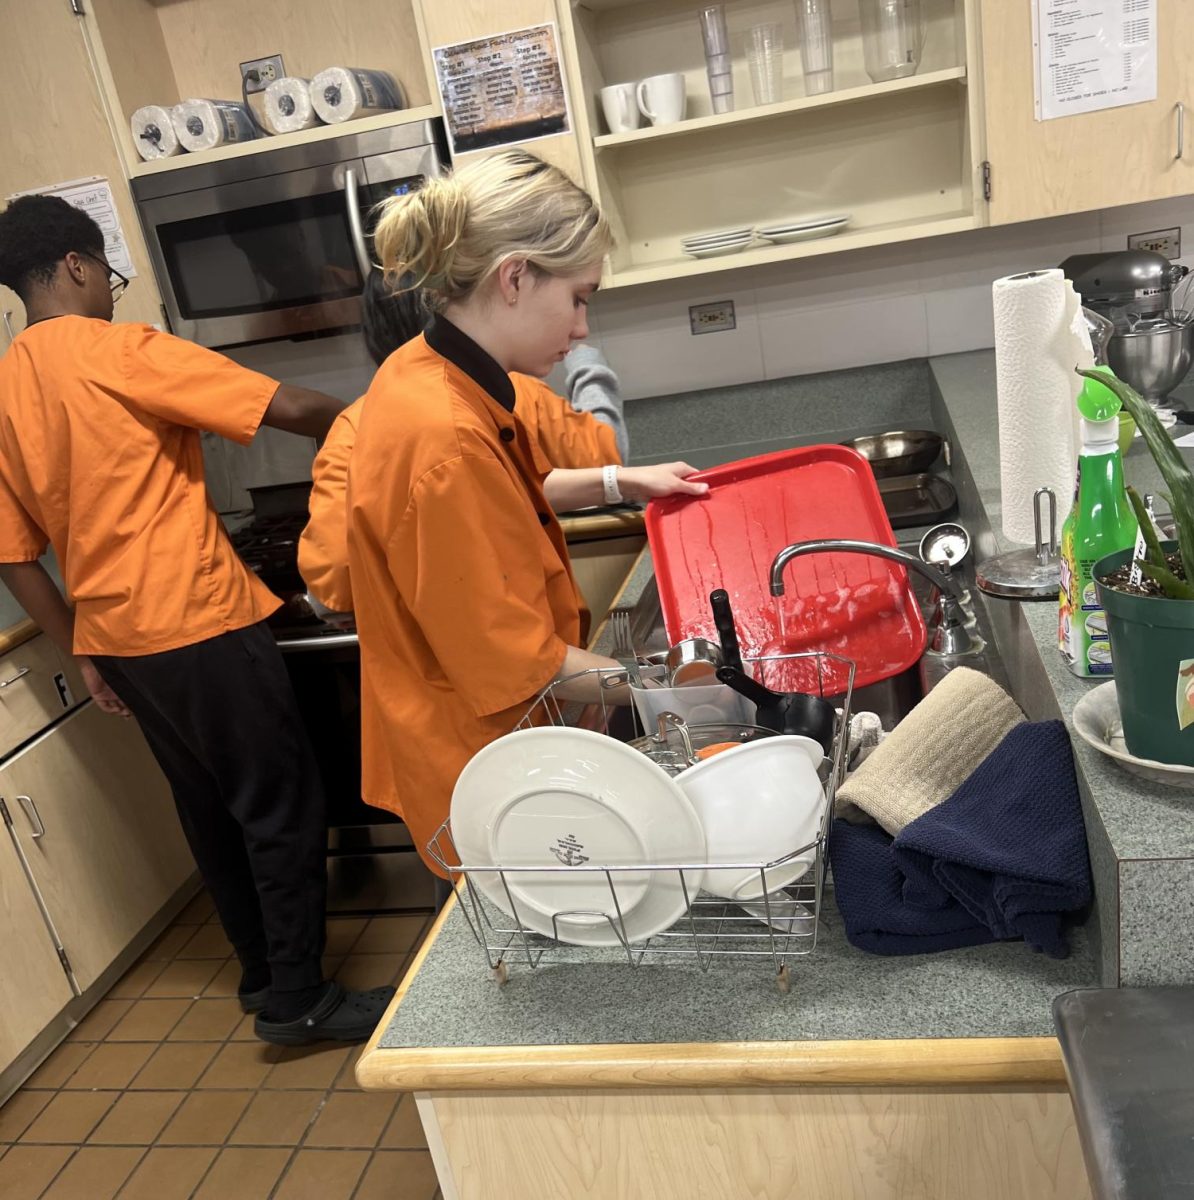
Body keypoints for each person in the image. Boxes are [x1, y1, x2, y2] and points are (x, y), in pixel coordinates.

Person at [0, 194, 393, 1046]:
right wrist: (382, 417)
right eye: (106, 270)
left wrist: (86, 649)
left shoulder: (4, 388)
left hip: (122, 640)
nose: (110, 287)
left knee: (209, 806)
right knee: (281, 801)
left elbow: (13, 555)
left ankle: (259, 970)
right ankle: (300, 1001)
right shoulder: (121, 348)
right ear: (75, 266)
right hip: (196, 615)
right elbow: (286, 407)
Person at [347, 149, 708, 869]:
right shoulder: (442, 434)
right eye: (579, 298)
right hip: (482, 767)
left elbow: (501, 494)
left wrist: (620, 482)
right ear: (514, 276)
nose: (581, 329)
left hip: (487, 737)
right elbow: (525, 666)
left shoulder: (430, 372)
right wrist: (674, 692)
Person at [298, 268, 629, 613]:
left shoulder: (354, 425)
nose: (580, 325)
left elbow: (332, 583)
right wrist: (587, 361)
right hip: (511, 645)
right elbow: (605, 453)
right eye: (576, 300)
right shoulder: (511, 394)